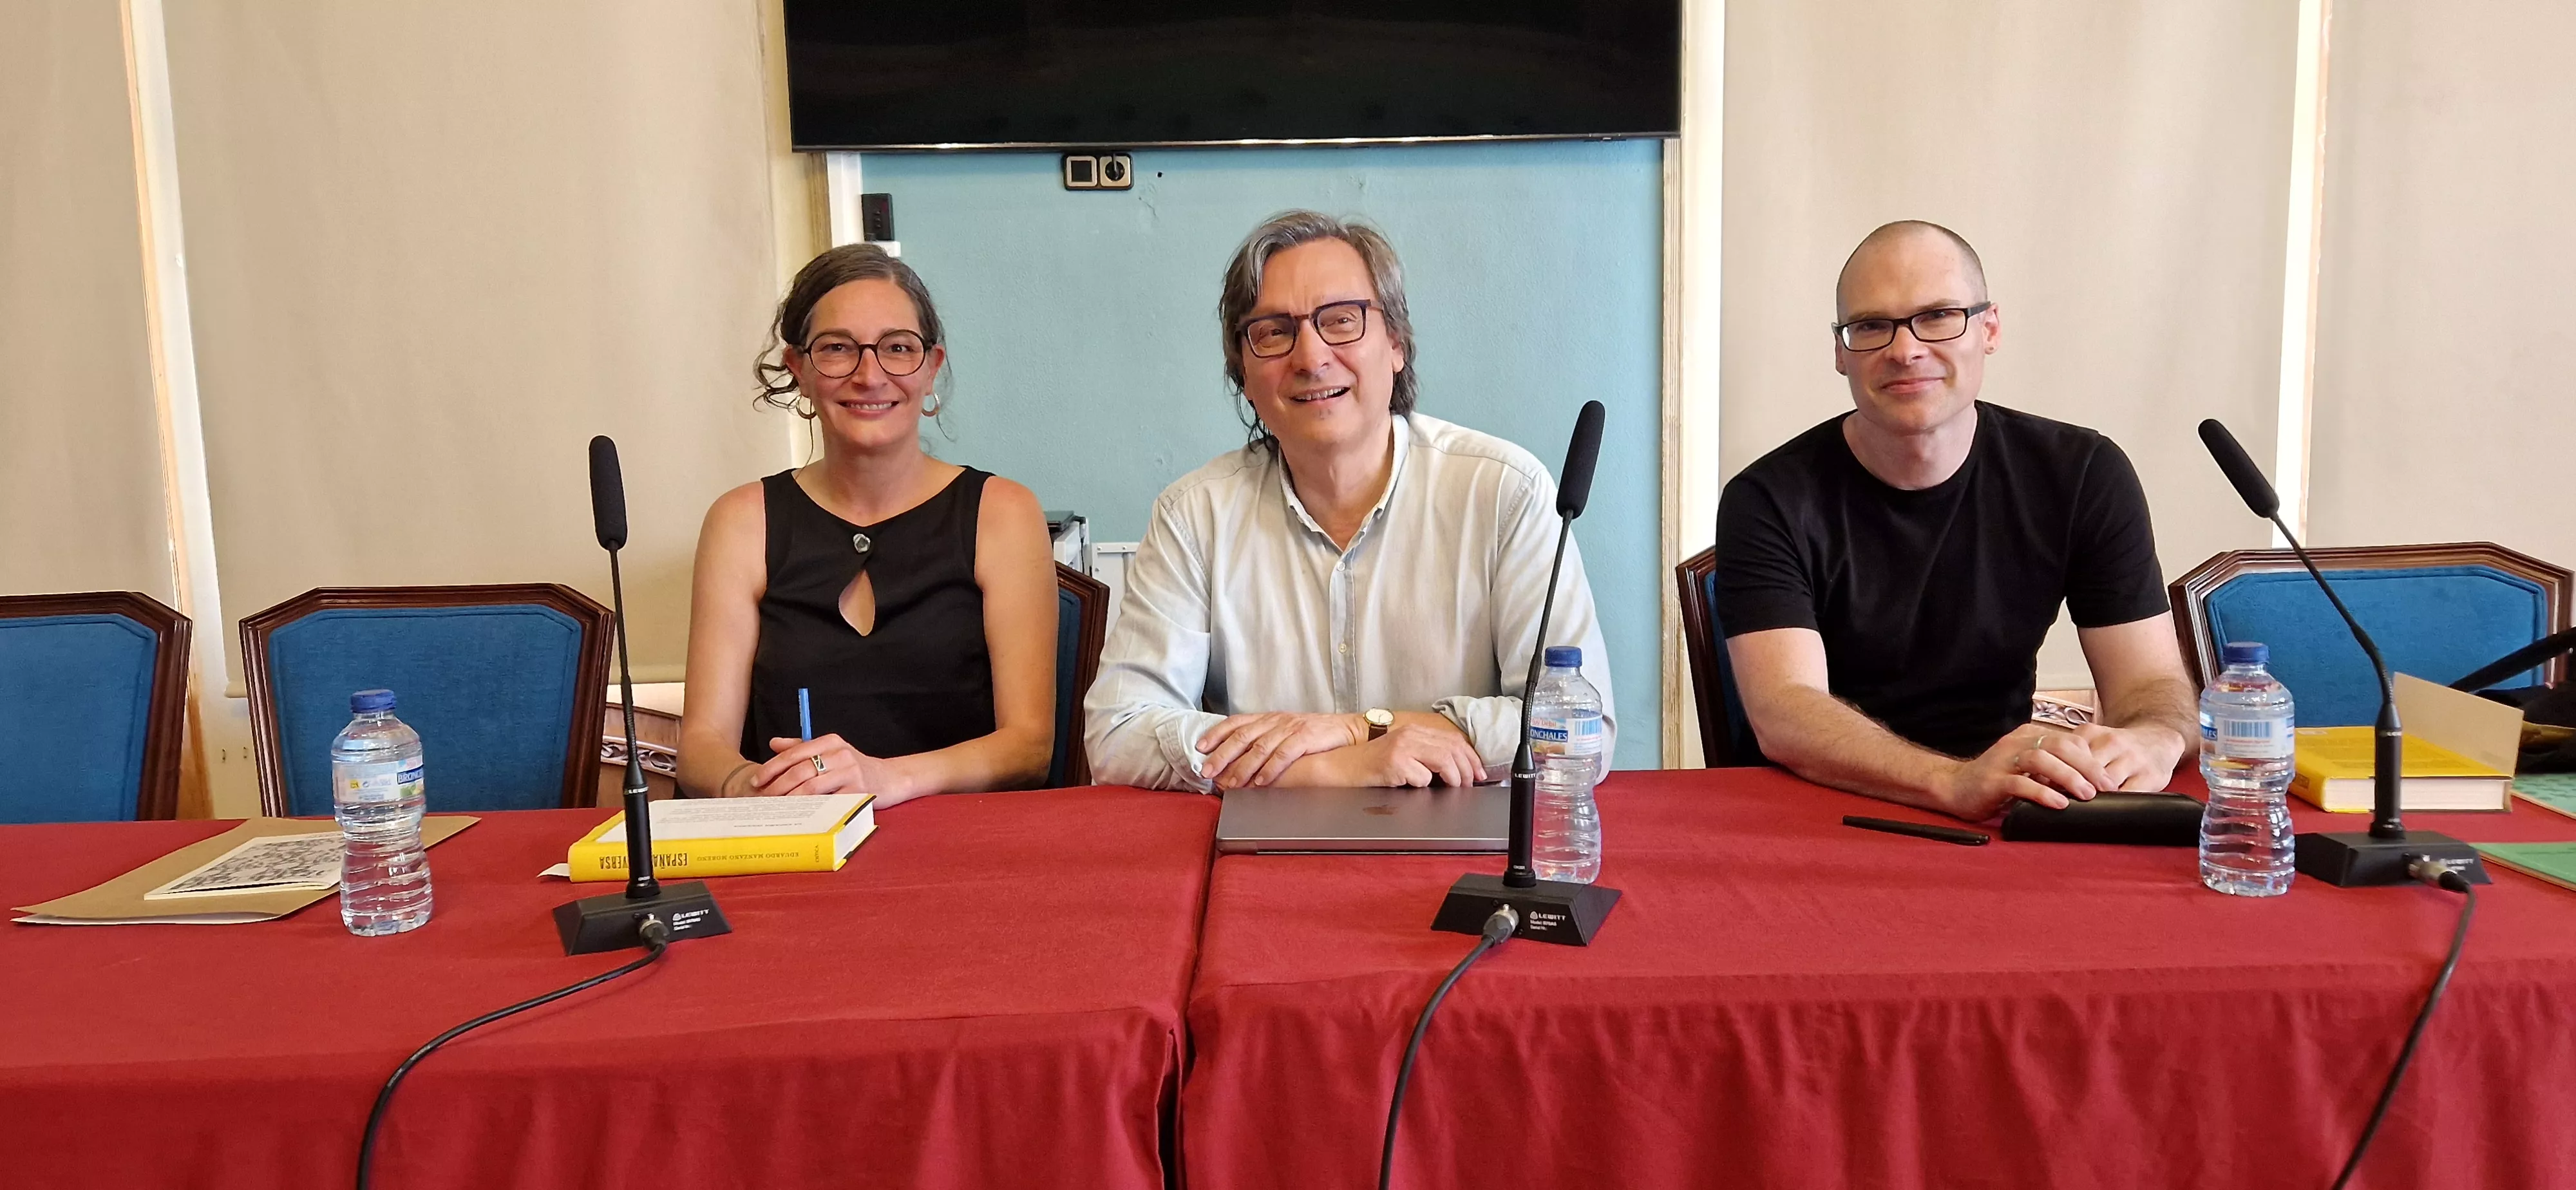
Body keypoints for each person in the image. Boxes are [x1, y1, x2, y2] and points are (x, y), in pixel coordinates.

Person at [1084, 210, 1616, 793]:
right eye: (1274, 332)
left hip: (1465, 845)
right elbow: (1118, 733)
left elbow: (1574, 725)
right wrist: (1326, 767)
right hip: (1266, 852)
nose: (1311, 357)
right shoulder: (1194, 516)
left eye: (1341, 320)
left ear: (1396, 344)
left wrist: (1358, 730)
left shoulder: (1504, 492)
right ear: (1242, 371)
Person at [1714, 220, 2197, 821]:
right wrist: (1952, 782)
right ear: (1840, 351)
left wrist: (2157, 735)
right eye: (1871, 326)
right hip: (1823, 809)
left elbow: (2152, 683)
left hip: (2012, 803)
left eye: (1938, 315)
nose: (1905, 349)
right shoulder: (1767, 498)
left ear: (1989, 328)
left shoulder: (2082, 474)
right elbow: (1786, 711)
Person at [676, 243, 1057, 805]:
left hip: (960, 843)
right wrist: (750, 785)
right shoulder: (741, 520)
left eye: (897, 349)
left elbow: (1029, 748)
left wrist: (886, 780)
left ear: (932, 368)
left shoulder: (1003, 512)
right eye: (837, 350)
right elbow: (702, 746)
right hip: (792, 846)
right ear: (799, 370)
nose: (869, 375)